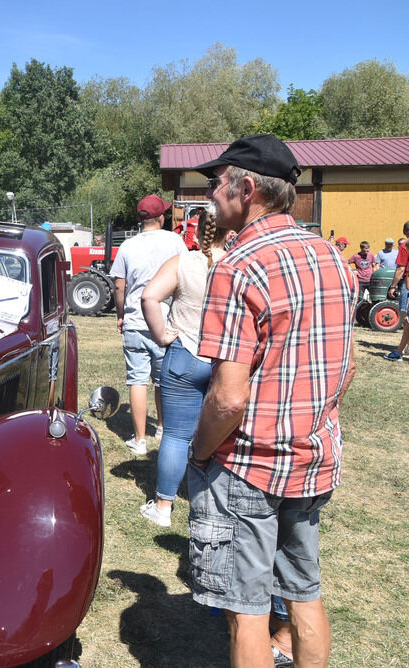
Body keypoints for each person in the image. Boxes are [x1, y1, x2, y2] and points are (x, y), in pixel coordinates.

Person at [188, 134, 356, 667]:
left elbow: (228, 398)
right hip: (313, 458)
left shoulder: (238, 265)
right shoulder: (330, 254)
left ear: (248, 187)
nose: (213, 195)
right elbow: (345, 368)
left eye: (218, 183)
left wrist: (197, 453)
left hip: (248, 465)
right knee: (304, 594)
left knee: (246, 613)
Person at [138, 207, 232, 527]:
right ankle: (212, 501)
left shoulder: (183, 262)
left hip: (184, 355)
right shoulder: (237, 266)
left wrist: (162, 334)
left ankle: (163, 507)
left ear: (197, 229)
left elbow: (150, 297)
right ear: (228, 230)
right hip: (225, 361)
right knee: (222, 435)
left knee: (176, 436)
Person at [110, 194, 187, 455]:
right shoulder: (175, 241)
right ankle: (163, 428)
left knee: (137, 380)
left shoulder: (127, 246)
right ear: (162, 217)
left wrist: (121, 314)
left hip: (135, 319)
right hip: (166, 321)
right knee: (164, 380)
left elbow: (119, 285)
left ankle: (139, 439)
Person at [383, 222, 409, 361]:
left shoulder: (405, 246)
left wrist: (393, 286)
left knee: (406, 319)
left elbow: (400, 269)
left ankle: (399, 352)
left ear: (405, 232)